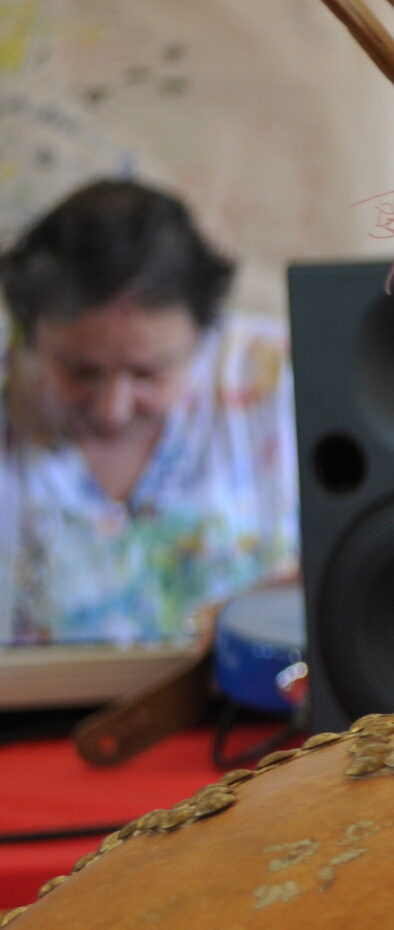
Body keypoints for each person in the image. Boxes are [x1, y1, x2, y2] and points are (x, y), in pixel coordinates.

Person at [0, 179, 296, 645]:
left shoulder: (280, 380)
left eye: (147, 373)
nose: (112, 410)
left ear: (205, 335)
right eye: (80, 371)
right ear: (28, 338)